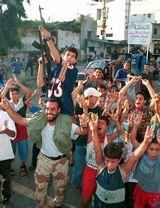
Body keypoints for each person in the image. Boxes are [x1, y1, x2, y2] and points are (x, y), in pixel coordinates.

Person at [0, 97, 86, 208]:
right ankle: (41, 205)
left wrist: (84, 124)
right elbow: (21, 120)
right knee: (40, 189)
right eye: (47, 108)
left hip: (61, 162)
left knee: (60, 189)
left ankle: (57, 203)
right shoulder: (40, 119)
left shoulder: (66, 122)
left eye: (53, 109)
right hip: (43, 160)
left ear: (59, 110)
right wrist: (7, 108)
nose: (49, 112)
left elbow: (82, 132)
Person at [89, 112, 154, 208]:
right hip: (98, 204)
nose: (109, 164)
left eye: (113, 161)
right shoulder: (101, 166)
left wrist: (145, 142)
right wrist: (93, 131)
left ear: (119, 160)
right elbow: (97, 148)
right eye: (107, 160)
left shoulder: (123, 171)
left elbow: (135, 156)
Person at [0, 100, 16, 205]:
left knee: (6, 179)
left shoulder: (6, 115)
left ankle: (6, 198)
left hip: (5, 155)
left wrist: (5, 130)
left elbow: (13, 134)